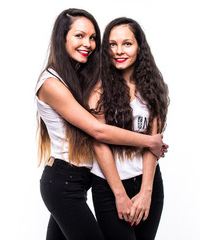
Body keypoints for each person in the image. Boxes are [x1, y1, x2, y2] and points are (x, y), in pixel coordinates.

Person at [36, 9, 167, 240]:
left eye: (93, 37)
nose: (88, 43)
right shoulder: (51, 83)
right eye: (79, 36)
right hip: (64, 181)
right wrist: (149, 141)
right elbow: (98, 131)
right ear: (62, 37)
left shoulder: (80, 77)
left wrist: (146, 186)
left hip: (81, 179)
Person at [89, 17, 170, 240]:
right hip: (109, 187)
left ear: (139, 47)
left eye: (127, 43)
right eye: (112, 44)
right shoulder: (98, 90)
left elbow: (153, 143)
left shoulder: (153, 87)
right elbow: (99, 142)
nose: (119, 51)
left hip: (148, 182)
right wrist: (120, 194)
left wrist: (146, 192)